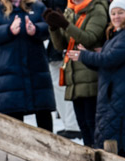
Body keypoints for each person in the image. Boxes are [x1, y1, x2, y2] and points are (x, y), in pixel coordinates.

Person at [68, 0, 125, 160]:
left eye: (120, 12)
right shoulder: (115, 36)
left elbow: (109, 59)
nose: (116, 16)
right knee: (108, 140)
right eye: (113, 13)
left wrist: (85, 55)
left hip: (123, 98)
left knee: (122, 144)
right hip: (112, 97)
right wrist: (88, 56)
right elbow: (104, 64)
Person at [43, 0, 109, 146]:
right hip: (73, 76)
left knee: (93, 126)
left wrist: (65, 25)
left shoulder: (96, 8)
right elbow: (60, 45)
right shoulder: (70, 10)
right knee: (84, 126)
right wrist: (53, 27)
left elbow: (89, 38)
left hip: (91, 75)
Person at [0, 0, 56, 131]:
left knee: (43, 114)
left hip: (36, 71)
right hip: (10, 73)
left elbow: (50, 27)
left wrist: (36, 30)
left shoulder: (37, 6)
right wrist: (8, 30)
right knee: (13, 117)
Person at [43, 0, 81, 139]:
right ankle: (68, 123)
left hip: (73, 41)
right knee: (57, 84)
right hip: (55, 43)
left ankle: (73, 125)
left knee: (70, 84)